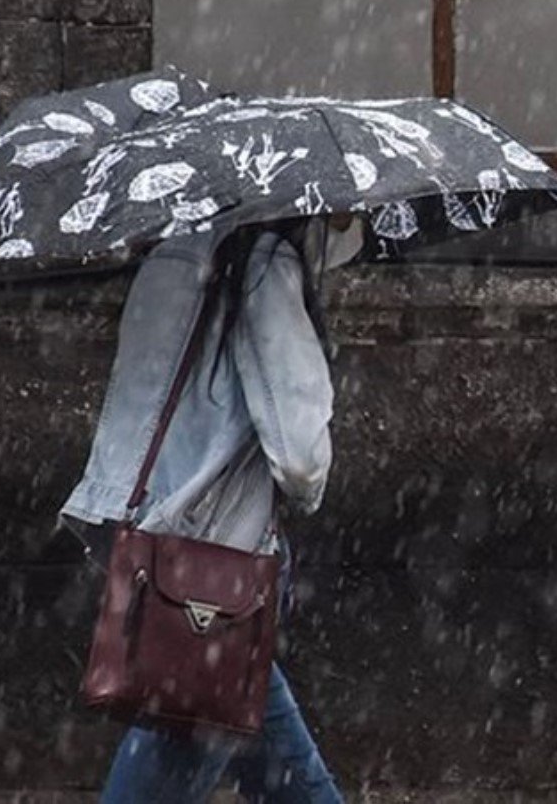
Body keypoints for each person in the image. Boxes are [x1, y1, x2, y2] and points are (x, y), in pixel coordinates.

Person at [60, 214, 363, 804]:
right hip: (217, 564)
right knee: (181, 759)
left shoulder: (172, 254)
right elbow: (300, 458)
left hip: (155, 545)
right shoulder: (265, 264)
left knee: (277, 768)